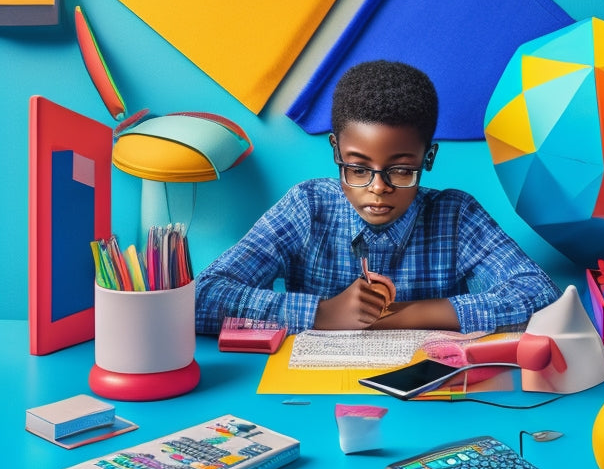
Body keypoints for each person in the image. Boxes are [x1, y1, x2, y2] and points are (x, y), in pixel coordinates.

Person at [195, 60, 561, 335]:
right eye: (357, 169)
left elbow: (540, 294)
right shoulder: (307, 207)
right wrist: (323, 313)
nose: (378, 189)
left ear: (426, 158)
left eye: (401, 171)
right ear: (336, 151)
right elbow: (202, 298)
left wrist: (407, 314)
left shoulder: (456, 216)